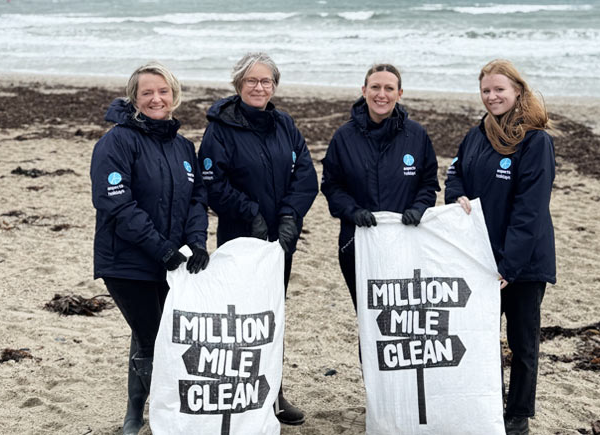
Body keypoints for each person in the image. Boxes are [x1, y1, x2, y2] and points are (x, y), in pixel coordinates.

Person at [197, 52, 318, 426]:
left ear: (274, 86)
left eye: (266, 81)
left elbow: (306, 176)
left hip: (281, 241)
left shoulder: (284, 124)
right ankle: (240, 391)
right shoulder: (220, 127)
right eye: (252, 81)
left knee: (272, 315)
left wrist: (287, 218)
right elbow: (213, 183)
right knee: (240, 318)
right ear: (238, 85)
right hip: (239, 240)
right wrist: (250, 215)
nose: (259, 87)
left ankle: (275, 394)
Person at [90, 62, 210, 435]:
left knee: (152, 334)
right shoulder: (116, 141)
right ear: (135, 99)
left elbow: (196, 199)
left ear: (174, 96)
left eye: (163, 91)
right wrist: (162, 249)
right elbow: (117, 205)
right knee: (151, 334)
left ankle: (135, 407)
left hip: (170, 263)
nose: (156, 98)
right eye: (147, 93)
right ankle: (142, 415)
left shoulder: (183, 146)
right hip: (126, 262)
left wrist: (197, 241)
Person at [444, 59, 556, 435]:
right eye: (486, 91)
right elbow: (456, 172)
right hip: (481, 258)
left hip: (521, 265)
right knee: (480, 338)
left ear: (518, 92)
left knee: (522, 342)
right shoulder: (478, 133)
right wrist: (457, 197)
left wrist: (508, 266)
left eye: (499, 90)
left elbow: (530, 211)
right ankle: (487, 403)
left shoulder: (535, 141)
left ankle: (518, 415)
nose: (492, 97)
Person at [321, 63, 440, 312]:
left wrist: (418, 209)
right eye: (375, 87)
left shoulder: (417, 135)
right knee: (368, 318)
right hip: (358, 242)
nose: (381, 94)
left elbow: (429, 184)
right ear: (364, 90)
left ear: (400, 93)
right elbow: (332, 186)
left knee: (403, 318)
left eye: (389, 88)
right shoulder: (344, 137)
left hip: (406, 242)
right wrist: (353, 211)